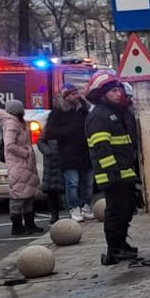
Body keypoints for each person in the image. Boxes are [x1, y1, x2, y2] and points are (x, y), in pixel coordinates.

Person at [85, 71, 140, 266]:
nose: (119, 94)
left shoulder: (115, 113)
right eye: (114, 91)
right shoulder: (100, 115)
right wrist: (113, 171)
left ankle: (121, 245)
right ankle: (114, 249)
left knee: (125, 211)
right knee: (116, 213)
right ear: (102, 93)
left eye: (119, 90)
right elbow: (101, 147)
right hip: (112, 176)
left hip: (123, 173)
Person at [47, 86, 93, 224]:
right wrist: (69, 130)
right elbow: (50, 133)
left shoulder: (83, 110)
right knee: (72, 183)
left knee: (88, 183)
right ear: (65, 96)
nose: (76, 96)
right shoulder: (57, 113)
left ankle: (86, 205)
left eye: (77, 93)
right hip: (68, 153)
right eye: (73, 94)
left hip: (85, 152)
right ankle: (74, 207)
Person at [0, 100, 43, 236]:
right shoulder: (12, 124)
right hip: (18, 164)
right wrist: (25, 153)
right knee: (18, 196)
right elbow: (9, 144)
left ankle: (30, 224)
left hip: (25, 164)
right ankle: (17, 226)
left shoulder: (19, 122)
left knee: (29, 194)